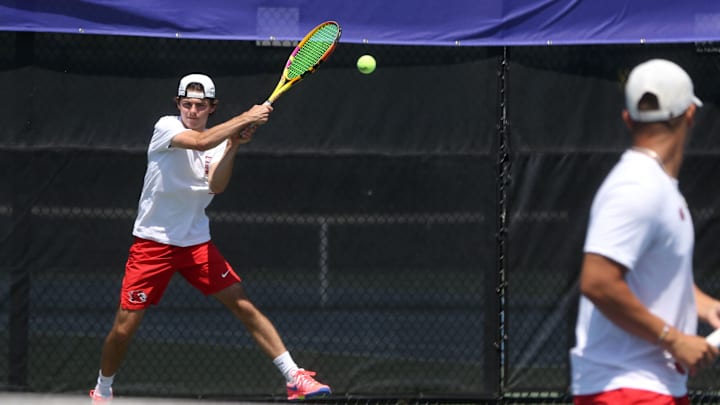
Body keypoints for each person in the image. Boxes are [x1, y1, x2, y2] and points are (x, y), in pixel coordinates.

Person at [90, 73, 331, 402]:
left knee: (242, 303)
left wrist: (232, 144)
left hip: (195, 244)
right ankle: (103, 389)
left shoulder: (220, 139)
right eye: (186, 104)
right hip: (152, 244)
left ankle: (294, 376)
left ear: (211, 108)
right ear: (178, 104)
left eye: (199, 106)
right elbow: (200, 142)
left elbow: (216, 185)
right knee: (124, 327)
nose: (191, 110)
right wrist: (246, 117)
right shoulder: (166, 127)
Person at [570, 59, 720, 404]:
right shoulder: (636, 186)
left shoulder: (657, 188)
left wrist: (705, 305)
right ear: (689, 116)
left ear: (628, 119)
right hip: (625, 390)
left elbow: (654, 275)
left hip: (649, 388)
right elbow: (598, 281)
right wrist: (674, 339)